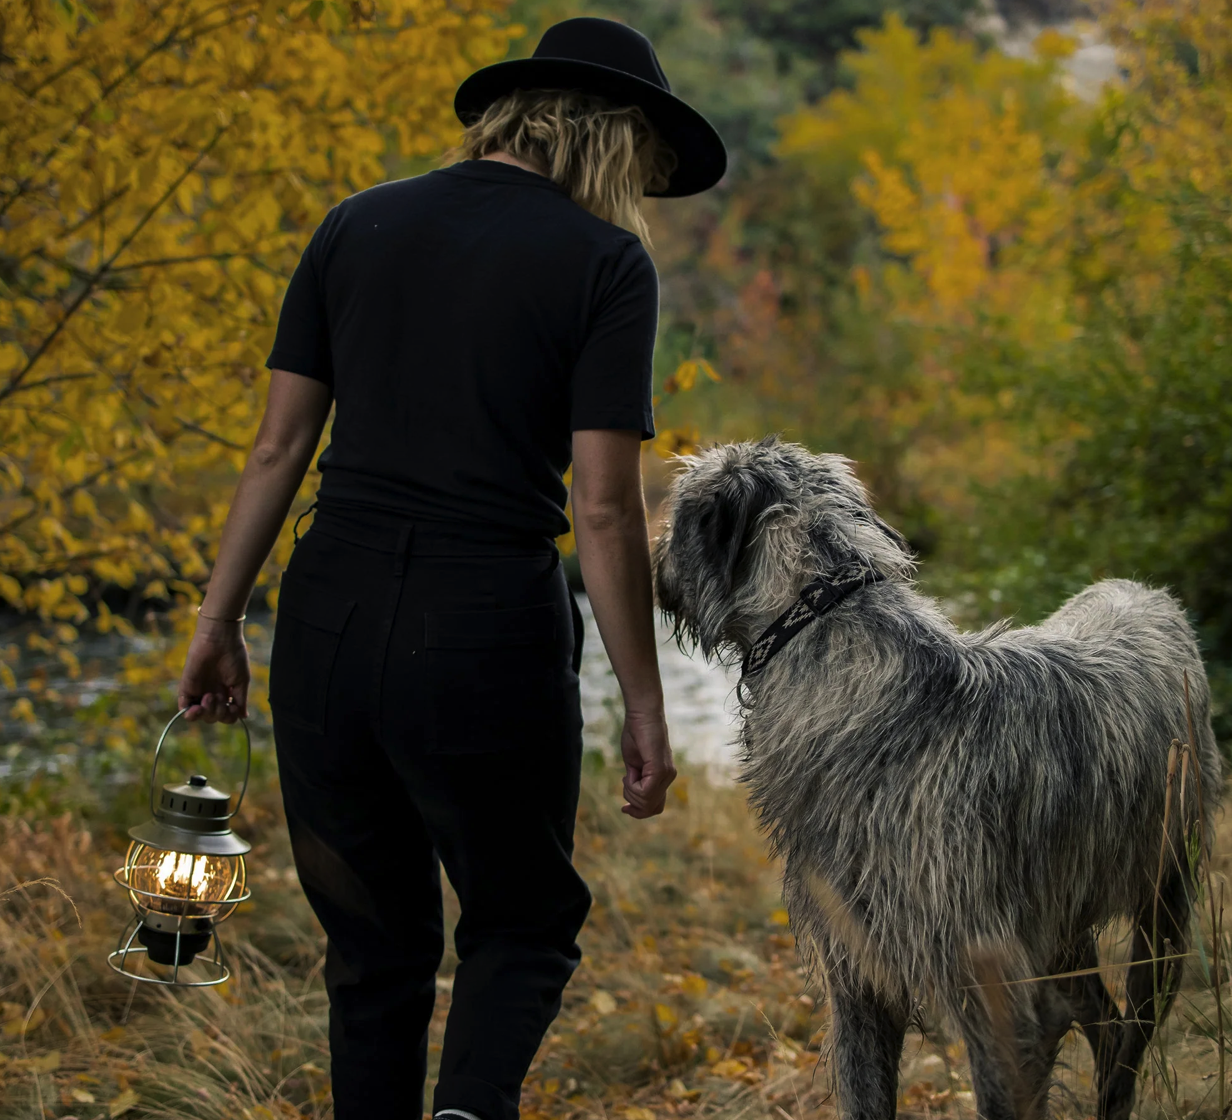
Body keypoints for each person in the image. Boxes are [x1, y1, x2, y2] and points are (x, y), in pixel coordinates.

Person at [175, 16, 726, 1120]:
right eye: (643, 165)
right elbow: (606, 506)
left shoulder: (355, 224)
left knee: (370, 948)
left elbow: (279, 447)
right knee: (520, 923)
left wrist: (217, 618)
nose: (639, 194)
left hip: (326, 614)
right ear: (605, 134)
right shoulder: (603, 262)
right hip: (484, 624)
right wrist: (644, 701)